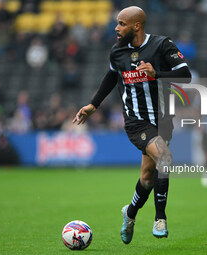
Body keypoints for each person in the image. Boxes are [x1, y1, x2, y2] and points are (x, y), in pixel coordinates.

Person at [73, 6, 191, 244]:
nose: (116, 28)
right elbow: (111, 77)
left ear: (137, 26)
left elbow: (185, 75)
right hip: (137, 121)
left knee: (148, 177)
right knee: (165, 158)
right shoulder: (117, 52)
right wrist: (93, 105)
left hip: (163, 120)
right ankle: (160, 218)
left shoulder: (161, 45)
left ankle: (130, 213)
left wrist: (156, 74)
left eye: (121, 24)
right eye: (117, 23)